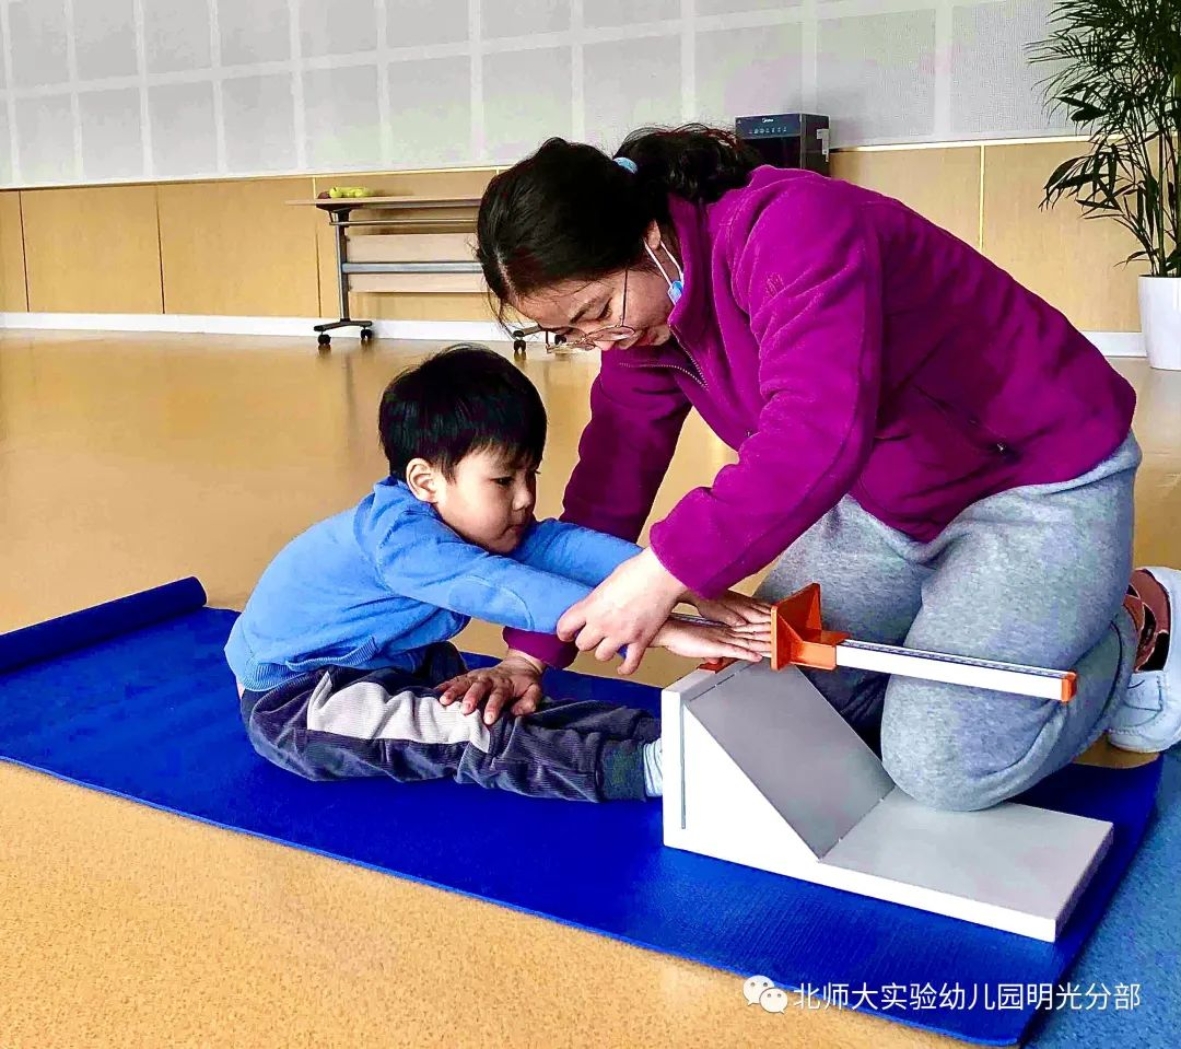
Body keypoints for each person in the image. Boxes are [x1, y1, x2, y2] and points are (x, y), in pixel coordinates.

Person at [472, 124, 1179, 813]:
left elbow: (816, 430)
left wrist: (663, 571)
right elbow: (612, 476)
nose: (602, 338)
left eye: (598, 309)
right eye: (571, 333)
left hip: (1036, 483)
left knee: (944, 767)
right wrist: (529, 654)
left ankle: (1137, 615)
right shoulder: (642, 331)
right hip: (885, 507)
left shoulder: (790, 224)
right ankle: (963, 626)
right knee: (761, 702)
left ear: (651, 239)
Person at [224, 345, 768, 803]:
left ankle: (653, 735)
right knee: (470, 732)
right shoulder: (403, 542)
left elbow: (565, 548)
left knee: (511, 706)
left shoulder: (469, 518)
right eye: (504, 481)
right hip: (300, 697)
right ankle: (644, 770)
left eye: (531, 475)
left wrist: (684, 584)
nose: (526, 497)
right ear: (426, 482)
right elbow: (511, 592)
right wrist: (661, 628)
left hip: (396, 663)